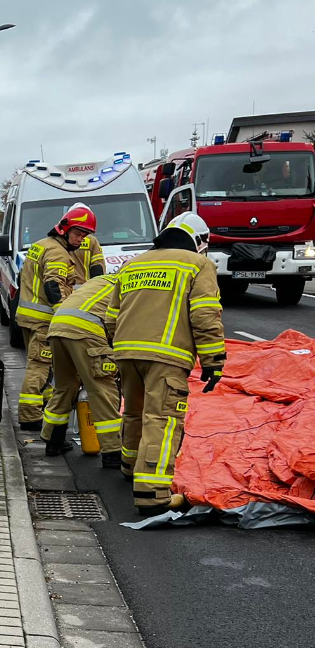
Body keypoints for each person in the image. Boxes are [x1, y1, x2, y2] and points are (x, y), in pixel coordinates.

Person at [110, 212, 225, 514]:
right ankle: (152, 494)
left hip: (126, 352)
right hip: (167, 356)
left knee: (134, 412)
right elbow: (204, 316)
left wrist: (119, 346)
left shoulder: (132, 264)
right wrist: (213, 361)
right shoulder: (199, 265)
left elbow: (112, 316)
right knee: (161, 420)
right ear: (200, 242)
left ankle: (130, 466)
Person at [15, 206, 94, 431]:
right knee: (39, 366)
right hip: (45, 320)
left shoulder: (40, 245)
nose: (81, 239)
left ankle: (45, 405)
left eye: (85, 235)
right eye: (78, 233)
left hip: (28, 317)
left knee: (46, 366)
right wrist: (64, 316)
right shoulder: (58, 253)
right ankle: (30, 416)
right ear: (65, 229)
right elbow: (53, 286)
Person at [39, 269, 123, 465]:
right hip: (87, 330)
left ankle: (53, 440)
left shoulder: (101, 280)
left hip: (58, 327)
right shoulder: (130, 287)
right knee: (101, 389)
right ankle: (113, 452)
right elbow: (122, 324)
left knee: (64, 386)